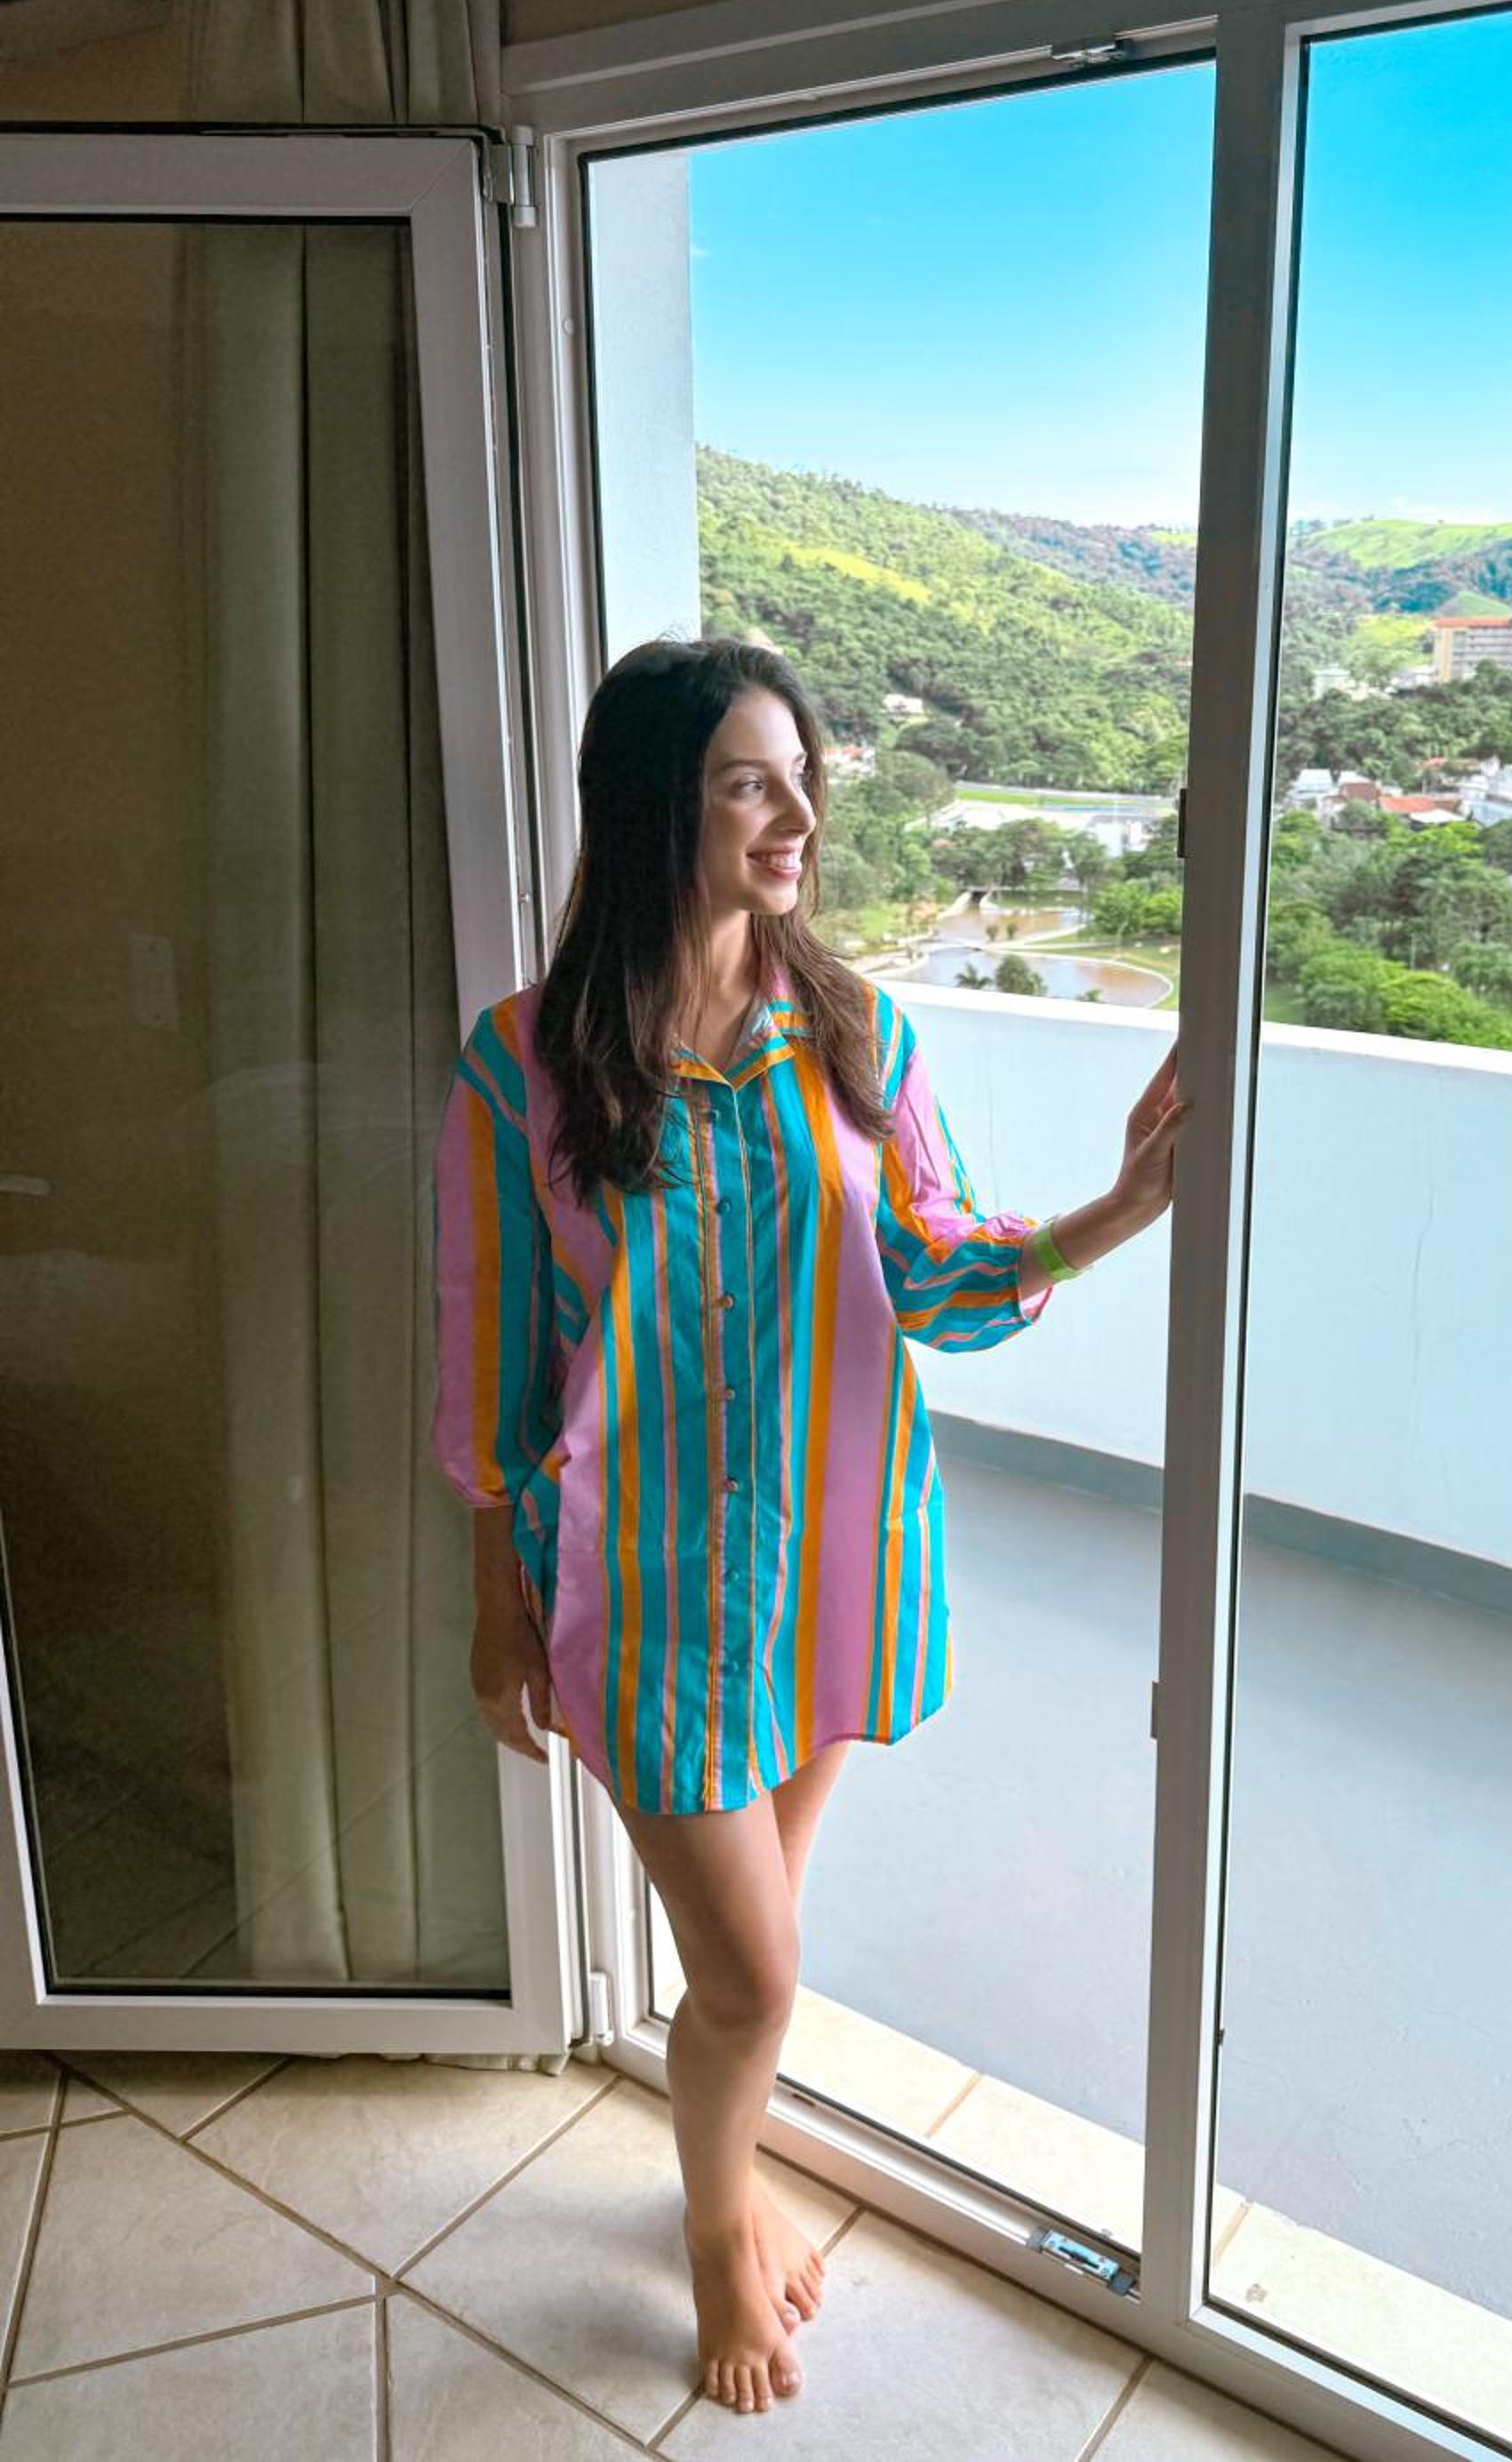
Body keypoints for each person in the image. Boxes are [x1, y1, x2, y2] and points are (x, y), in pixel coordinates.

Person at [429, 635, 1188, 2418]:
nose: (795, 819)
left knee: (738, 1969)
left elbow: (933, 1275)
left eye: (801, 780)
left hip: (830, 1572)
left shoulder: (857, 1035)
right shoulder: (520, 1064)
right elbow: (489, 1344)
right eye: (745, 785)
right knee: (758, 1982)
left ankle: (728, 2164)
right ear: (653, 809)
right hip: (641, 1596)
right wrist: (492, 1600)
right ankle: (717, 2221)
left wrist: (1114, 1211)